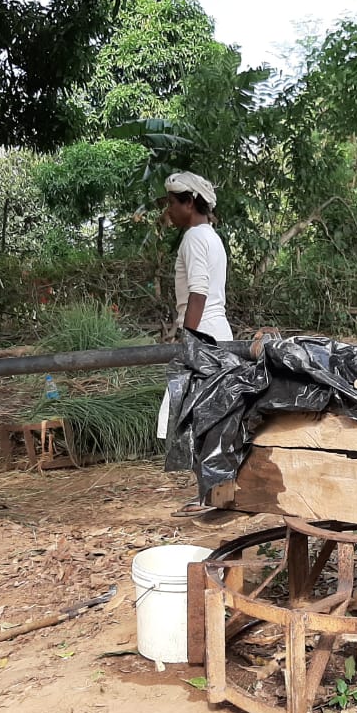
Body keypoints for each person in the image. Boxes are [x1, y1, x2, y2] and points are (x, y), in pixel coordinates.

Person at [154, 171, 234, 517]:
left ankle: (210, 496)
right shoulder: (211, 237)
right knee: (208, 419)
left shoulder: (193, 239)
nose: (168, 209)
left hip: (204, 333)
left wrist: (189, 339)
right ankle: (212, 494)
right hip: (217, 332)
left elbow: (198, 292)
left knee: (192, 418)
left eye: (172, 202)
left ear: (189, 203)